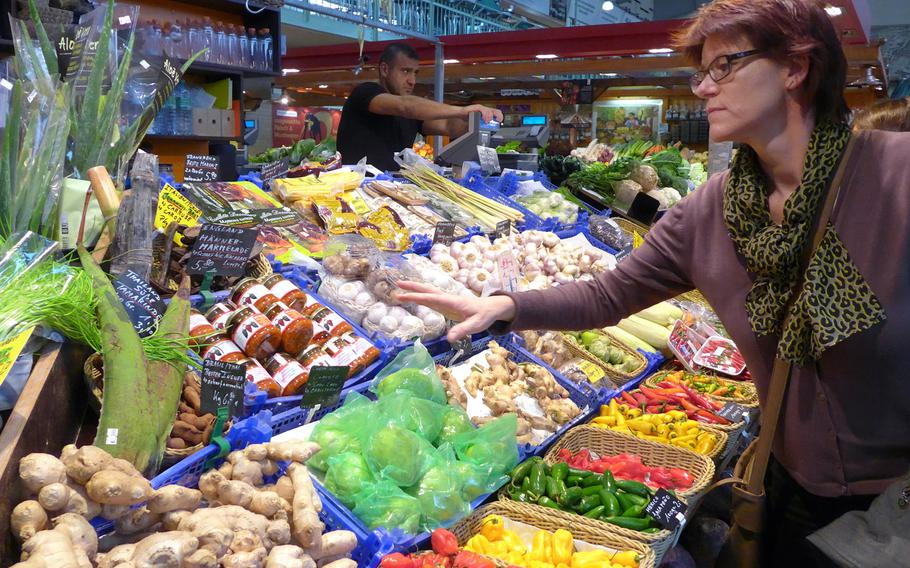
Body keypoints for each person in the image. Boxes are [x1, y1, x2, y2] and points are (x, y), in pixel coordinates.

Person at [397, 1, 910, 566]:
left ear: (795, 68)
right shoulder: (711, 212)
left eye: (725, 66)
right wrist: (502, 304)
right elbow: (608, 294)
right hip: (784, 488)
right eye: (702, 71)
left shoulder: (895, 175)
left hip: (898, 500)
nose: (704, 88)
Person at [336, 42, 503, 171]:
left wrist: (479, 120)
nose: (412, 80)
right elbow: (405, 106)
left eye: (415, 73)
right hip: (357, 189)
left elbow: (448, 126)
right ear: (385, 69)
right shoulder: (366, 92)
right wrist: (462, 109)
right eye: (405, 71)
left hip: (391, 190)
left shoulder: (411, 112)